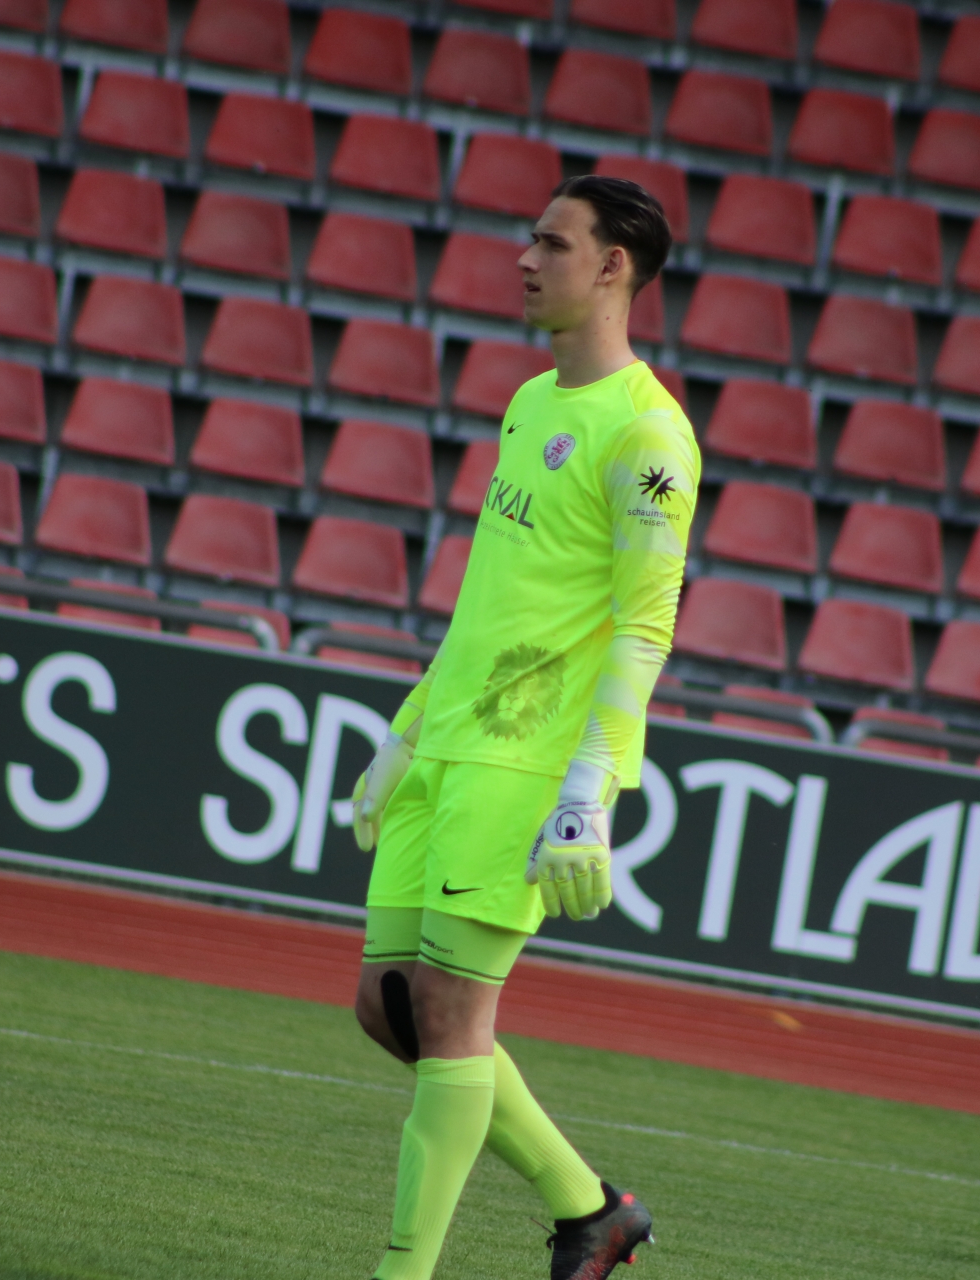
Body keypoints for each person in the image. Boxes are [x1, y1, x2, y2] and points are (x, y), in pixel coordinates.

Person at [343, 175, 697, 1280]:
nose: (524, 258)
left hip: (527, 759)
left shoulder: (649, 436)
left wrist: (589, 791)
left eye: (552, 242)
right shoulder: (532, 401)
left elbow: (644, 627)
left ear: (613, 267)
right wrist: (408, 729)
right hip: (451, 737)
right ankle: (592, 1210)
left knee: (451, 1016)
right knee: (388, 1006)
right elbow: (492, 599)